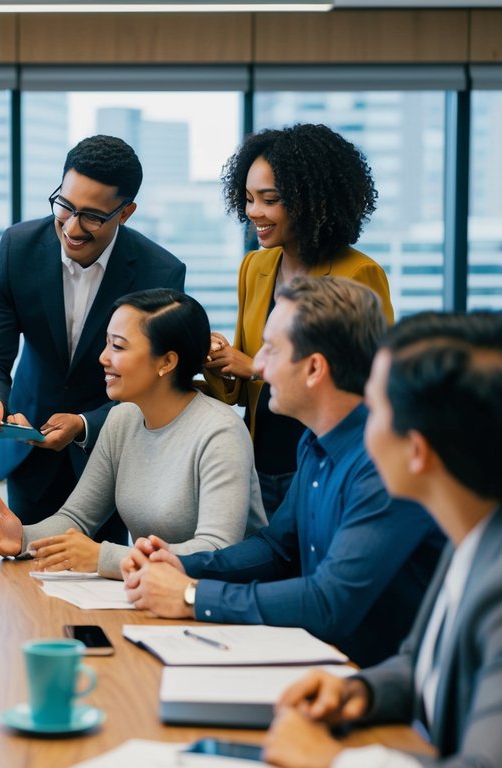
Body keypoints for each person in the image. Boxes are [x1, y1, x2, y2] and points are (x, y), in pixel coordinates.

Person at [122, 277, 444, 667]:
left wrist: (191, 595)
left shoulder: (384, 463)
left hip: (382, 693)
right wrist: (179, 563)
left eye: (271, 350)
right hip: (320, 667)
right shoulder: (315, 441)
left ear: (313, 368)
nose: (256, 365)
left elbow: (330, 602)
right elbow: (277, 549)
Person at [260, 311, 502, 768]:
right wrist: (360, 690)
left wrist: (331, 761)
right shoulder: (471, 535)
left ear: (416, 451)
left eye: (374, 408)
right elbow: (423, 662)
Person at [0, 135, 186, 546]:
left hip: (115, 453)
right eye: (64, 205)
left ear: (126, 213)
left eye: (91, 216)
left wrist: (86, 423)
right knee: (21, 570)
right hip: (29, 448)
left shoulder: (161, 273)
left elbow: (158, 384)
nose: (71, 226)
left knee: (101, 579)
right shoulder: (17, 249)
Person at [0, 289, 265, 579]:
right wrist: (22, 538)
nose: (103, 358)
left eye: (118, 347)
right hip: (153, 595)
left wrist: (103, 558)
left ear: (167, 362)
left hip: (219, 603)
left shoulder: (221, 432)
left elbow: (216, 549)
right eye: (106, 343)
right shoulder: (122, 419)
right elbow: (76, 519)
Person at [205, 123, 393, 516]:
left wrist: (255, 366)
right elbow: (240, 391)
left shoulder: (358, 274)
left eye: (268, 200)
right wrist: (217, 359)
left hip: (325, 462)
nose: (253, 212)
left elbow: (368, 386)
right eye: (248, 198)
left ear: (311, 201)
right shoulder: (254, 267)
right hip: (260, 463)